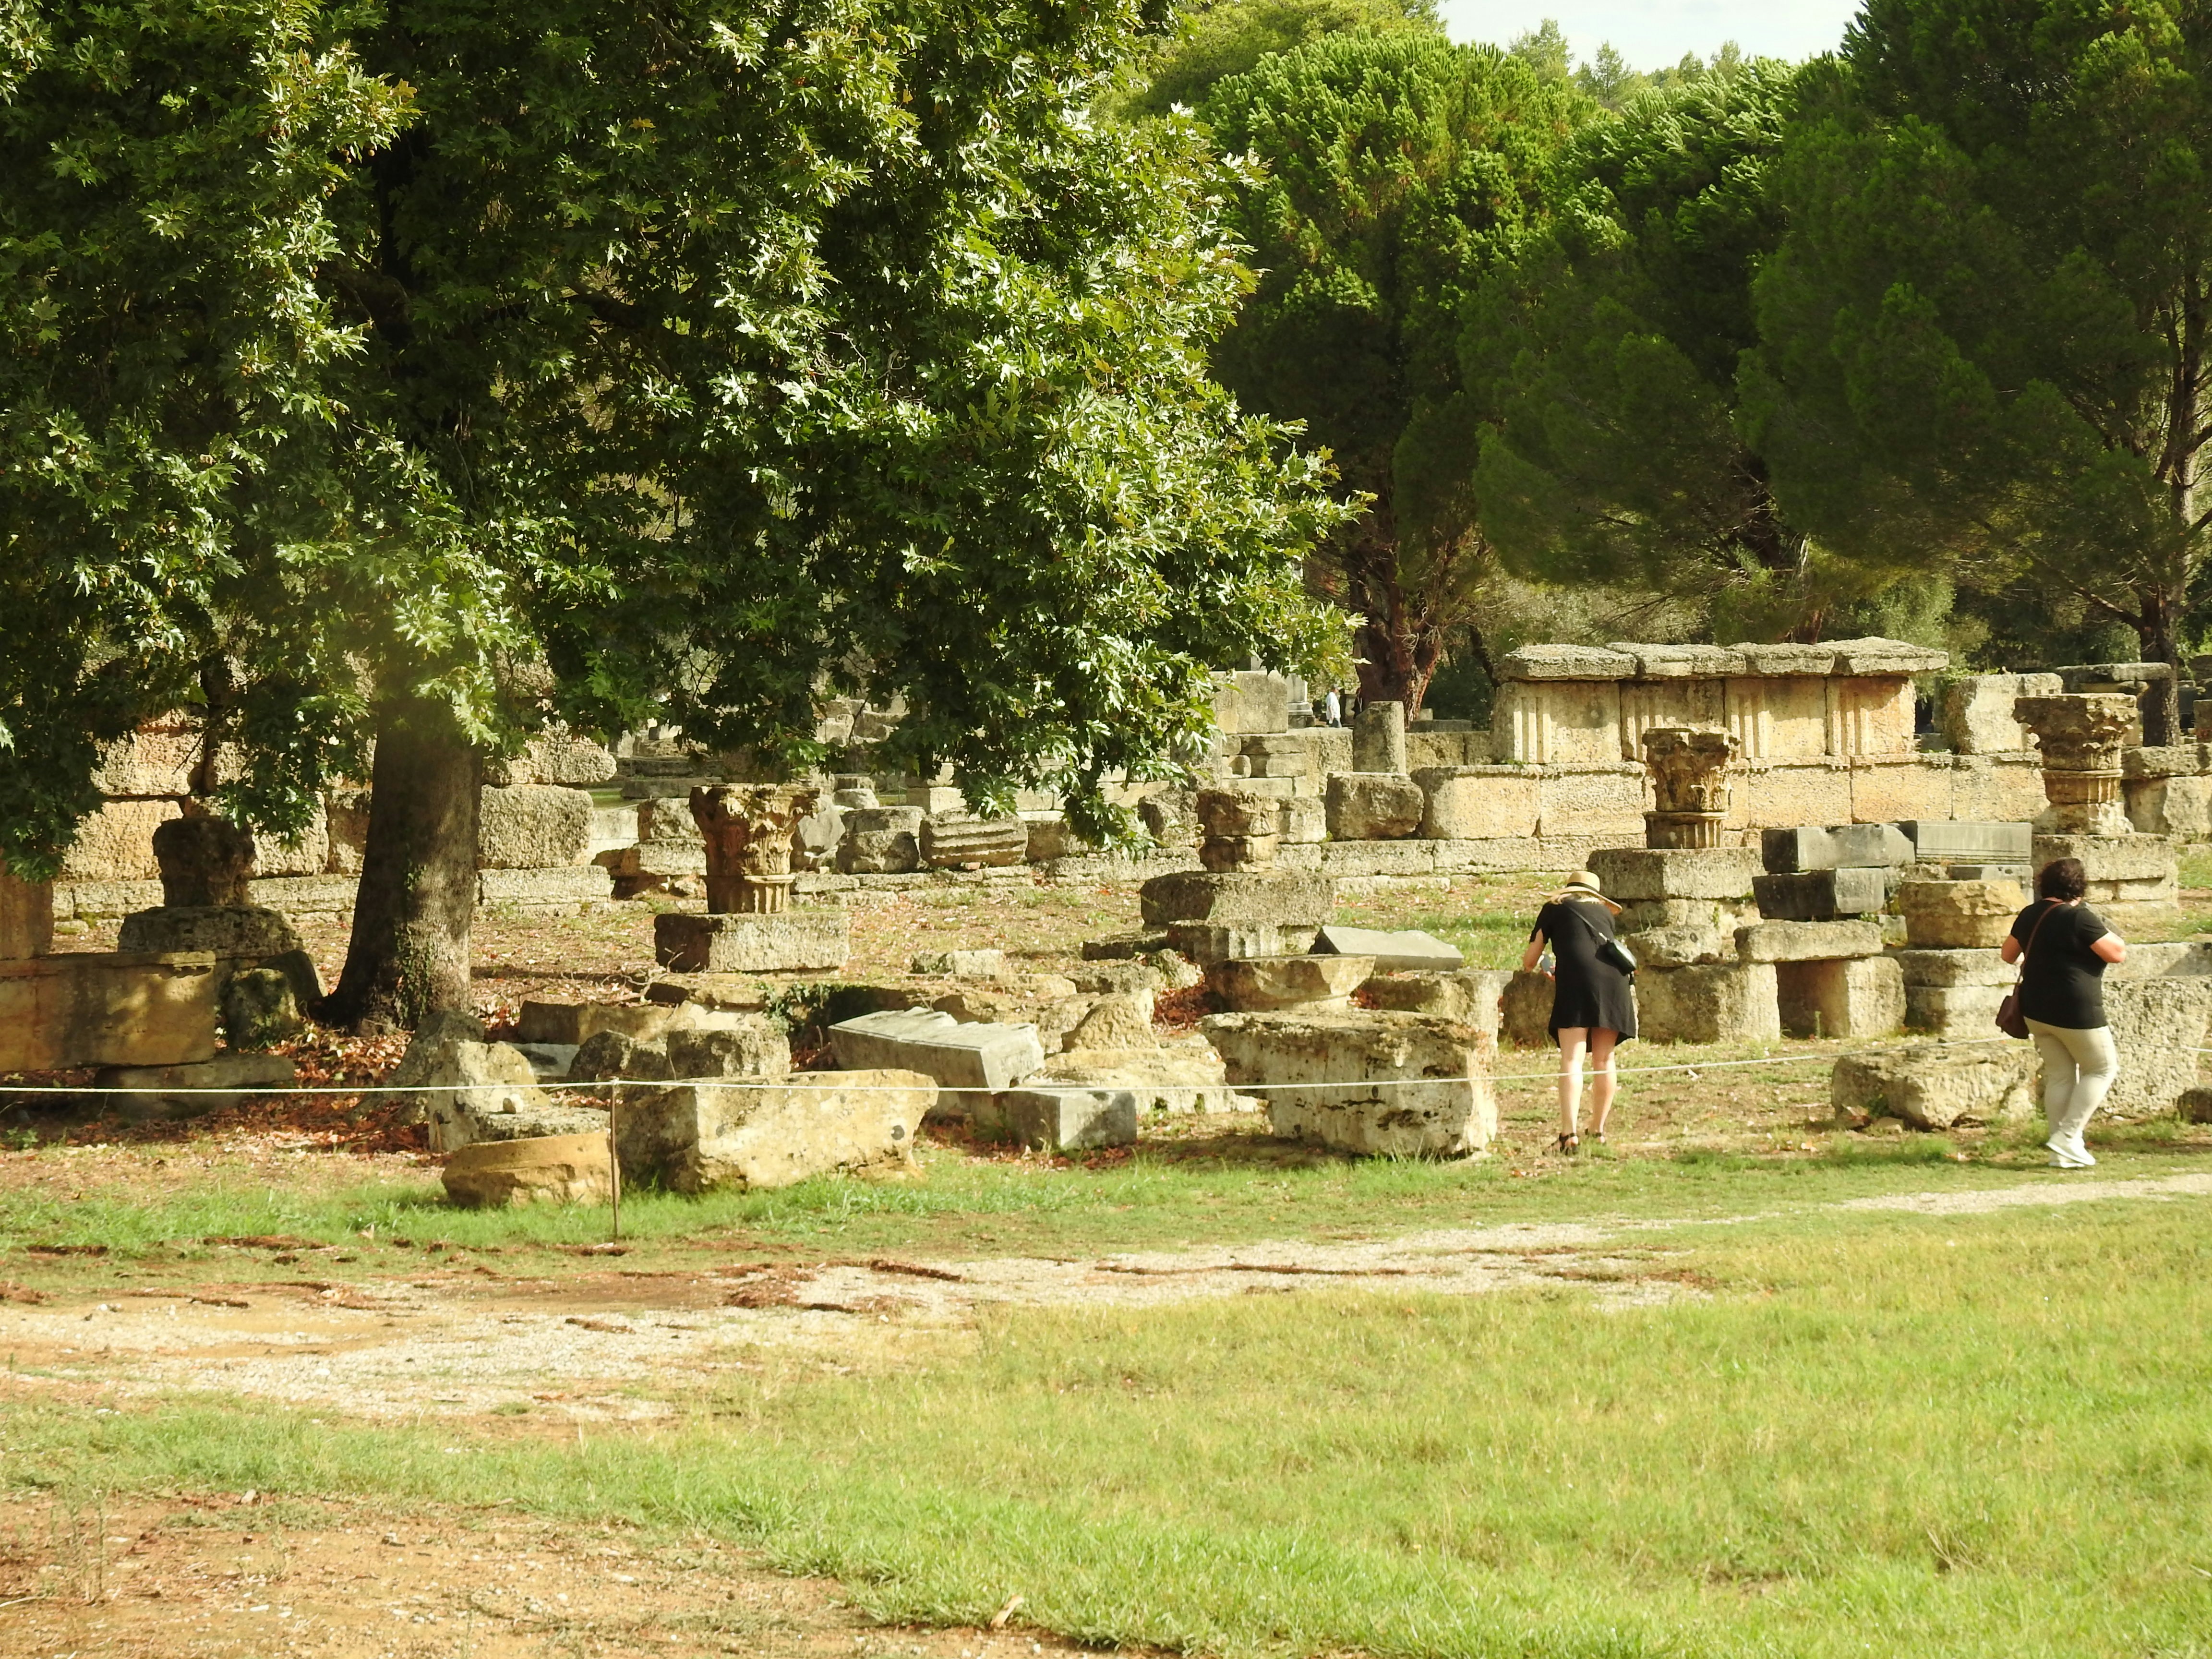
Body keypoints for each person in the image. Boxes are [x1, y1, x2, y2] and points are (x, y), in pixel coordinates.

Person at [2002, 856, 2126, 1168]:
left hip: (2036, 1007)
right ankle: (2069, 1136)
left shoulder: (2032, 913)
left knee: (2059, 1075)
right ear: (2079, 887)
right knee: (2101, 1068)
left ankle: (2062, 1154)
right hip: (2075, 1008)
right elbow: (2116, 954)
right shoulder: (2078, 917)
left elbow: (2008, 955)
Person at [1520, 870, 1636, 1154]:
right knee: (1605, 1059)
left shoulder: (1554, 908)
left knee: (1572, 1059)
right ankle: (1597, 1131)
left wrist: (1549, 963)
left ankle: (1568, 1135)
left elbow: (1530, 961)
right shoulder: (1605, 914)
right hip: (1614, 983)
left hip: (1577, 983)